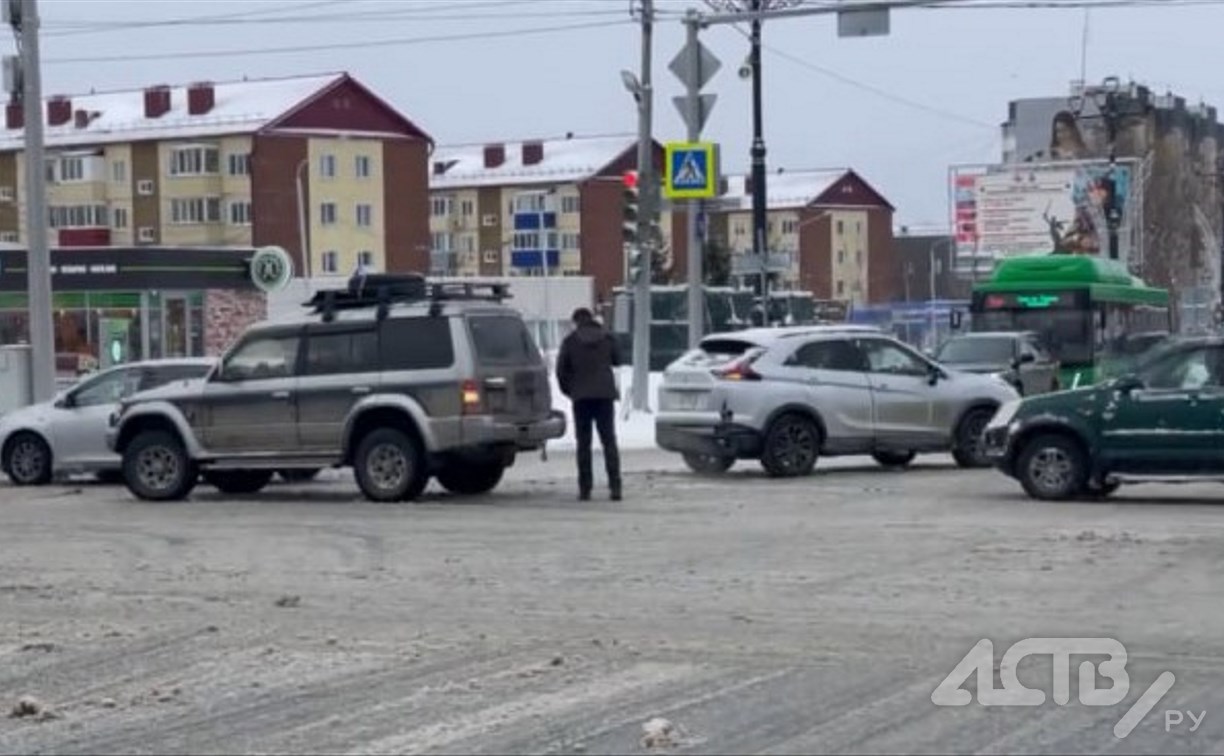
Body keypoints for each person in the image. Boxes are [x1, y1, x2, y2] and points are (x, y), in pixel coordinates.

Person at [556, 307, 623, 501]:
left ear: (576, 321)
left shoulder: (570, 341)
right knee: (609, 441)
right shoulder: (608, 338)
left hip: (582, 398)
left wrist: (571, 391)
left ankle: (585, 488)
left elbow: (561, 371)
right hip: (604, 396)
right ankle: (615, 487)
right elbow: (618, 360)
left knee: (583, 444)